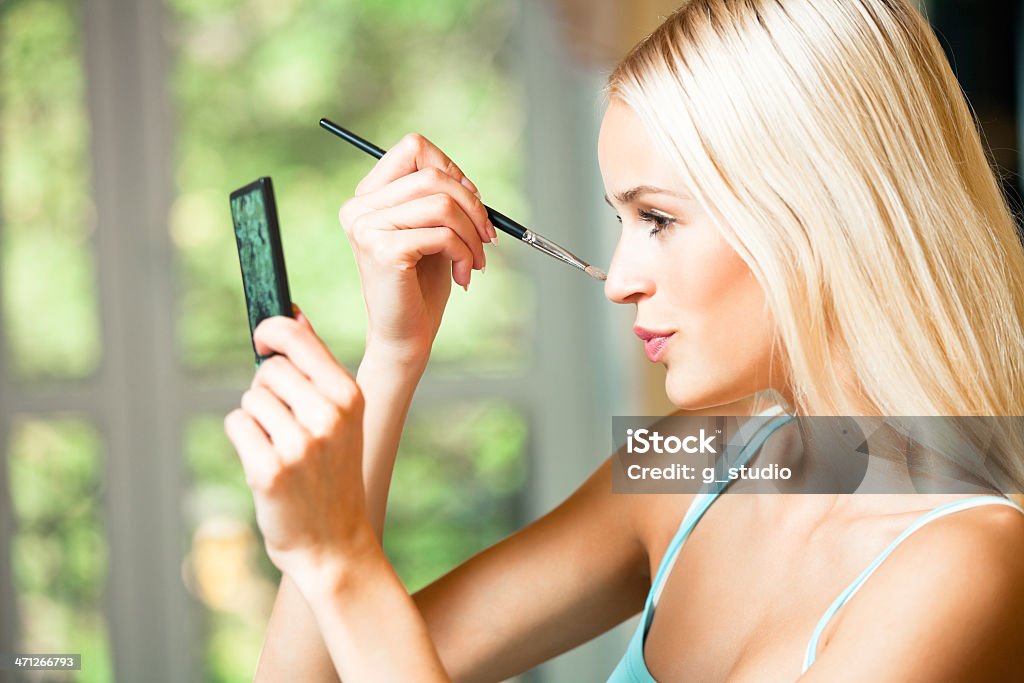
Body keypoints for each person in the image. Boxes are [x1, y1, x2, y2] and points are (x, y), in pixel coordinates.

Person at [223, 0, 1024, 680]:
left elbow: (358, 617)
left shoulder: (969, 560)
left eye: (660, 219)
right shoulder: (695, 459)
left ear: (819, 215)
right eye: (621, 219)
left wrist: (341, 561)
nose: (618, 279)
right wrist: (392, 360)